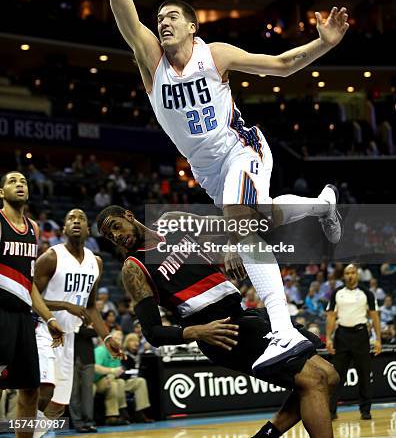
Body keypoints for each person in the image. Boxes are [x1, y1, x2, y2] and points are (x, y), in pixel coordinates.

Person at [98, 0, 348, 371]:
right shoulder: (150, 60)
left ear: (192, 26)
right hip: (207, 170)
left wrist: (323, 43)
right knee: (263, 218)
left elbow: (281, 66)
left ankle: (283, 328)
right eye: (161, 18)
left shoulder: (215, 54)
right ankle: (321, 204)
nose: (163, 21)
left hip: (241, 148)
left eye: (174, 16)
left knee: (242, 224)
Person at [96, 205, 339, 438]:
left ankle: (266, 435)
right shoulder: (134, 268)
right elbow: (152, 333)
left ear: (129, 216)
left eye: (116, 227)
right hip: (222, 331)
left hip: (244, 314)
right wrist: (198, 332)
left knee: (329, 376)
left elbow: (232, 224)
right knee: (314, 380)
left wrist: (234, 244)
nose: (117, 236)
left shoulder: (173, 221)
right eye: (110, 236)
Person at [33, 208, 122, 433]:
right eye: (70, 218)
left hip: (69, 337)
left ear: (87, 229)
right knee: (45, 390)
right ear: (63, 228)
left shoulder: (96, 263)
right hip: (43, 330)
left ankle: (32, 433)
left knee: (59, 405)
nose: (76, 221)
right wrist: (64, 305)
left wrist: (107, 336)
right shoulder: (51, 257)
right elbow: (30, 296)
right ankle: (22, 432)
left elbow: (91, 307)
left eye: (81, 218)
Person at [0, 172, 63, 438]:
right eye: (13, 181)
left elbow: (29, 283)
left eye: (23, 181)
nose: (19, 184)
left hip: (24, 318)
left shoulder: (34, 229)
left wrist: (49, 318)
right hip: (0, 314)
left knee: (30, 389)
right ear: (1, 192)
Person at [326, 264, 382, 420]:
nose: (350, 275)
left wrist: (378, 339)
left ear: (357, 275)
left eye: (352, 273)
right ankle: (331, 411)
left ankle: (365, 410)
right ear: (343, 275)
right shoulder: (337, 293)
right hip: (342, 336)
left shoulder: (367, 293)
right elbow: (330, 316)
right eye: (347, 273)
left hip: (361, 336)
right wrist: (329, 338)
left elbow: (374, 316)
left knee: (364, 375)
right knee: (336, 376)